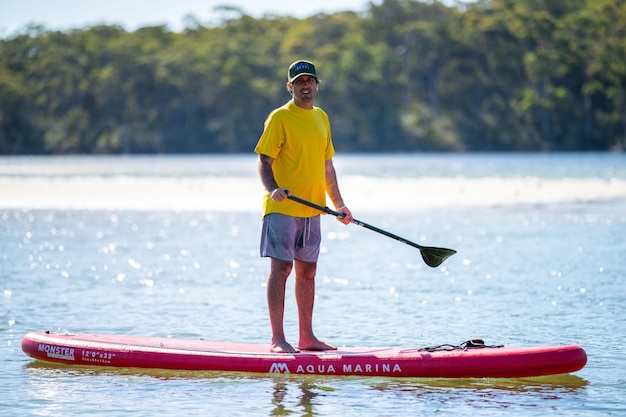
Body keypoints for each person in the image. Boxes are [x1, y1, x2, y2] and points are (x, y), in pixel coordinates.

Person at [254, 59, 353, 353]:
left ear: (317, 85)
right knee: (281, 269)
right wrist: (273, 190)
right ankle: (277, 339)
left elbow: (327, 166)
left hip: (314, 210)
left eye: (310, 81)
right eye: (299, 83)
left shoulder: (322, 118)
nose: (305, 86)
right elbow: (263, 160)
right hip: (283, 208)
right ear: (290, 87)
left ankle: (306, 338)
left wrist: (339, 205)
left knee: (307, 272)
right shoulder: (279, 118)